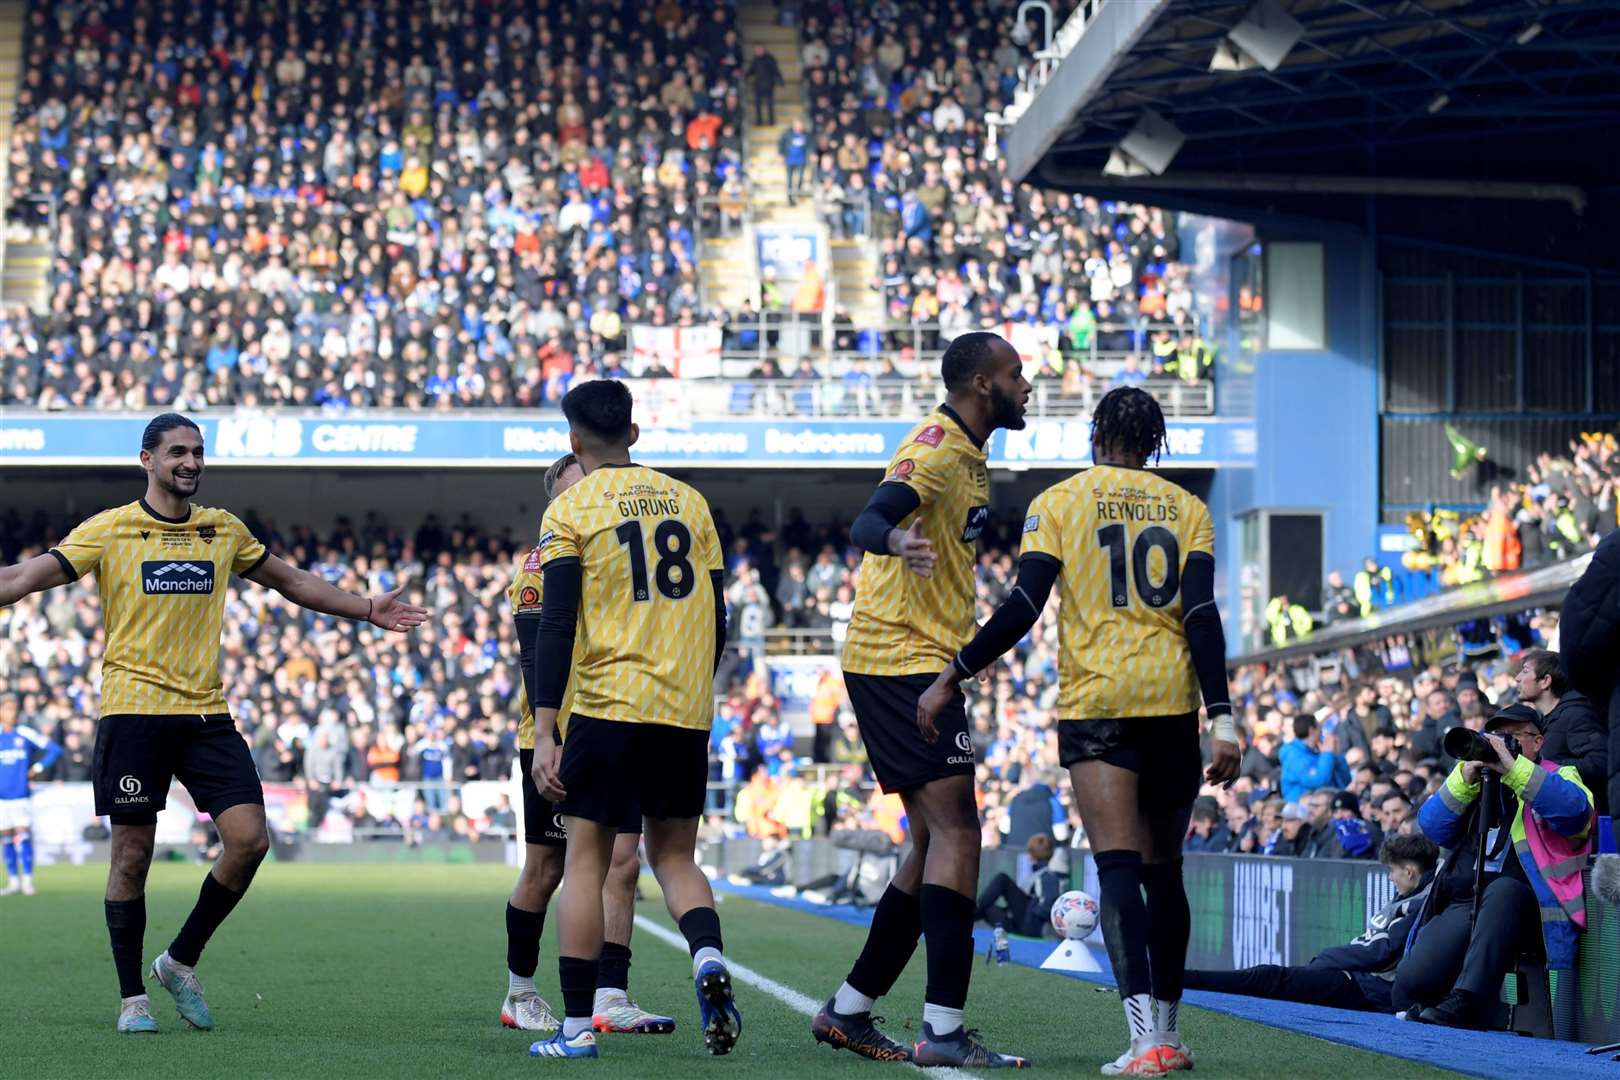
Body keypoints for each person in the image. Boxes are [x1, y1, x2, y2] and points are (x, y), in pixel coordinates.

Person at [0, 413, 427, 1034]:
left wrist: (365, 608)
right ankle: (132, 1001)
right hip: (133, 713)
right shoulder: (111, 529)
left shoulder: (221, 529)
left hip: (204, 713)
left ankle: (177, 960)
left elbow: (292, 581)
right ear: (146, 459)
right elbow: (21, 578)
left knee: (250, 840)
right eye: (178, 452)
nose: (192, 462)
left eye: (198, 452)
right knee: (132, 857)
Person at [918, 385, 1241, 1076]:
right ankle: (1171, 1034)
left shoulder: (1061, 502)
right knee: (1166, 872)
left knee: (1118, 867)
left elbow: (1026, 603)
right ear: (1155, 442)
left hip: (1100, 702)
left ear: (1096, 434)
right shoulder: (1189, 510)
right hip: (1172, 703)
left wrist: (958, 669)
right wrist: (1223, 718)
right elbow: (1203, 618)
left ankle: (1141, 1041)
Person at [811, 332, 1031, 1069]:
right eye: (1015, 374)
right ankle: (941, 1030)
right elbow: (871, 517)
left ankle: (848, 1010)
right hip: (899, 658)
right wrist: (891, 543)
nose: (1026, 386)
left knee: (932, 843)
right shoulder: (937, 446)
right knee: (960, 833)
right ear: (980, 384)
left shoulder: (970, 450)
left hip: (915, 656)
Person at [526, 381, 739, 1060]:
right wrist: (692, 689)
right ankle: (706, 956)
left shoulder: (571, 508)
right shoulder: (691, 502)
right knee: (676, 857)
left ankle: (575, 1029)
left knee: (585, 865)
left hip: (608, 706)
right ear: (635, 434)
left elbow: (556, 624)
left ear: (574, 442)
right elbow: (720, 616)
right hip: (683, 709)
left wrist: (543, 730)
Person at [501, 453, 674, 1037]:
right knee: (548, 868)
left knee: (623, 863)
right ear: (557, 502)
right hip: (556, 736)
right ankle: (519, 992)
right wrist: (551, 735)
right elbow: (534, 654)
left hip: (614, 724)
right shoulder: (538, 564)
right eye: (579, 490)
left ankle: (610, 997)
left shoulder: (613, 559)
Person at [1394, 704, 1595, 1029]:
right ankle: (1453, 1002)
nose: (1503, 745)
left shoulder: (1559, 773)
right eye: (1498, 738)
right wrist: (1464, 776)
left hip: (1529, 905)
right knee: (1412, 981)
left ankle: (1468, 1001)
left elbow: (1574, 814)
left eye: (1514, 737)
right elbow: (1432, 827)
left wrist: (1514, 769)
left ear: (1538, 742)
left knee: (1502, 891)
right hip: (1469, 899)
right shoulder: (1479, 784)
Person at [1185, 835, 1439, 1011]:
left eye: (1392, 871)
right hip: (1356, 977)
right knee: (1272, 977)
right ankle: (1185, 978)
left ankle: (1185, 979)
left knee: (1269, 977)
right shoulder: (1411, 893)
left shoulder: (1419, 902)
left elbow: (1380, 953)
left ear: (1409, 872)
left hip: (1366, 987)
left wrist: (1328, 958)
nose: (1390, 877)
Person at [1515, 648, 1607, 814]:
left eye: (1525, 671)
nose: (1517, 678)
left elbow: (1600, 762)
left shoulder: (1576, 714)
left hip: (1590, 827)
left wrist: (1547, 769)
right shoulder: (1545, 720)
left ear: (1545, 681)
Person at [0, 693, 61, 895]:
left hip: (21, 796)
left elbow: (54, 750)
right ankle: (13, 881)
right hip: (2, 798)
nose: (12, 712)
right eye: (8, 708)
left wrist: (37, 768)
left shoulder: (25, 733)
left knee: (23, 836)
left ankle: (27, 880)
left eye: (14, 708)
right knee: (6, 838)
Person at [973, 834, 1066, 938]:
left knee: (1002, 879)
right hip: (1021, 923)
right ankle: (969, 916)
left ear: (1032, 855)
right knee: (987, 908)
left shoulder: (1048, 876)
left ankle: (968, 914)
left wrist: (1030, 912)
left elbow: (1048, 905)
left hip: (1031, 925)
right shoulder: (1040, 874)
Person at [1279, 714, 1350, 803]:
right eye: (1320, 728)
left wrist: (1337, 756)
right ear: (1312, 730)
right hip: (1301, 808)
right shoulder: (1292, 754)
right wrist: (1327, 754)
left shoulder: (1318, 751)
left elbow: (1346, 780)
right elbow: (1317, 781)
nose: (1322, 732)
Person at [747, 45, 783, 126]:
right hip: (758, 86)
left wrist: (780, 81)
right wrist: (745, 75)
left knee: (770, 104)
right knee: (758, 105)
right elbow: (751, 71)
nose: (757, 51)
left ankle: (771, 121)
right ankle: (759, 121)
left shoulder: (769, 58)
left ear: (763, 49)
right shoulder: (755, 60)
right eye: (756, 50)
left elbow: (775, 70)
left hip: (769, 85)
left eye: (759, 49)